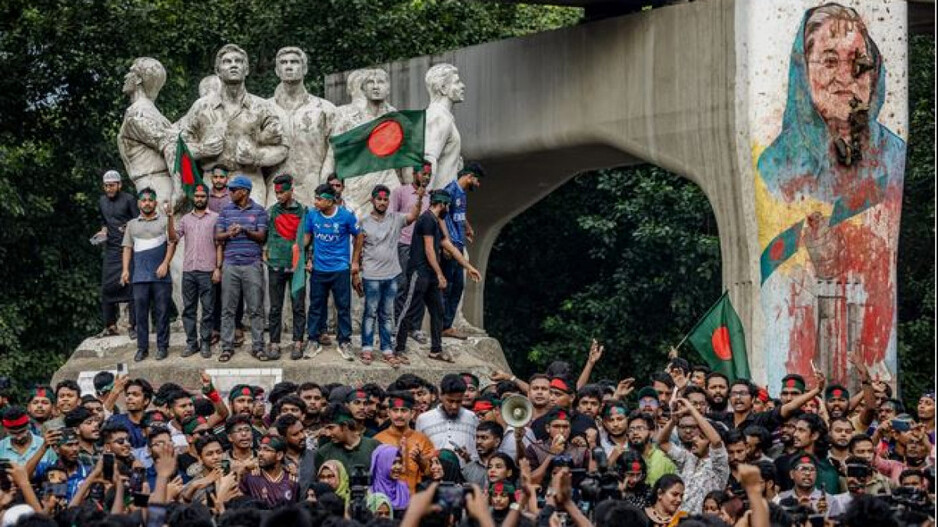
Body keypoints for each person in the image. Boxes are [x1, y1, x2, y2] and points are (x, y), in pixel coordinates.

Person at [394, 190, 481, 362]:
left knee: (438, 311)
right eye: (447, 205)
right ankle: (398, 349)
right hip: (419, 273)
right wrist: (440, 274)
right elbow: (428, 249)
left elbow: (447, 245)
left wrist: (468, 266)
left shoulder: (436, 221)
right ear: (442, 204)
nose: (447, 209)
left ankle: (436, 349)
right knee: (408, 310)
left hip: (431, 275)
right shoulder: (426, 219)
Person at [352, 183, 424, 366]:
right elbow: (357, 250)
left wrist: (420, 198)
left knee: (386, 314)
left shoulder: (396, 219)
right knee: (370, 313)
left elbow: (414, 216)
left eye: (385, 199)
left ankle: (386, 349)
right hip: (371, 275)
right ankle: (367, 348)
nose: (383, 202)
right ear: (373, 200)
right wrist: (355, 272)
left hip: (391, 274)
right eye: (380, 199)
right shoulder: (363, 223)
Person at [303, 183, 361, 361]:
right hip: (319, 270)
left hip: (340, 269)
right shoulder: (312, 215)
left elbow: (359, 236)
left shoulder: (345, 216)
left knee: (343, 307)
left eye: (319, 199)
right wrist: (304, 257)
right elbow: (307, 237)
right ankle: (313, 340)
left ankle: (345, 342)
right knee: (315, 306)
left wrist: (355, 262)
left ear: (330, 201)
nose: (316, 202)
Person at [214, 174, 268, 362]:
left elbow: (262, 236)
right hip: (230, 264)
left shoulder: (259, 211)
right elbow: (218, 236)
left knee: (255, 308)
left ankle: (258, 346)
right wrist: (230, 232)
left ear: (244, 192)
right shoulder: (225, 211)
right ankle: (227, 347)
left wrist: (244, 230)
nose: (229, 192)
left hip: (252, 264)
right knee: (228, 308)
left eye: (233, 189)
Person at [120, 187, 175, 362]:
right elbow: (127, 248)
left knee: (162, 313)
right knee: (141, 315)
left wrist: (166, 263)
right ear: (139, 203)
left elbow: (172, 242)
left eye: (150, 200)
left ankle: (162, 347)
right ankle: (142, 348)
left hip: (161, 277)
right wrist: (126, 270)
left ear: (155, 203)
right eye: (144, 200)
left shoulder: (164, 222)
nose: (147, 203)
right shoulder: (132, 224)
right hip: (139, 277)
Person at [169, 183, 220, 358]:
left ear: (207, 198)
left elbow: (220, 244)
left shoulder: (215, 218)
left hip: (207, 270)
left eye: (202, 196)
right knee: (188, 309)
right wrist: (169, 218)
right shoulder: (185, 219)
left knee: (207, 309)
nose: (199, 199)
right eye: (197, 196)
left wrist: (217, 268)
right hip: (189, 270)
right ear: (193, 198)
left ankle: (205, 343)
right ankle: (191, 343)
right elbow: (173, 238)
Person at [656, 398, 729, 513]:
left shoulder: (718, 466)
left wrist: (691, 410)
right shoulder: (687, 458)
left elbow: (716, 441)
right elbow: (662, 442)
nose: (694, 439)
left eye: (701, 438)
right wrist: (673, 421)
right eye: (696, 435)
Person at [264, 174, 307, 361]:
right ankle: (274, 343)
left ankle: (298, 343)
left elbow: (308, 236)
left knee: (298, 306)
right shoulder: (271, 211)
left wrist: (307, 258)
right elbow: (265, 234)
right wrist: (264, 253)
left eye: (282, 192)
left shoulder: (303, 211)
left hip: (296, 266)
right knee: (275, 307)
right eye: (276, 193)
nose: (279, 196)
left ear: (291, 190)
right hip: (275, 265)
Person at [391, 161, 432, 346]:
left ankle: (414, 327)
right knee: (402, 285)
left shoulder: (430, 196)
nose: (427, 177)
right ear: (415, 173)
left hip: (423, 248)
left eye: (429, 174)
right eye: (424, 173)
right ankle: (398, 325)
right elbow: (392, 218)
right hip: (404, 244)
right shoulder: (401, 192)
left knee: (420, 288)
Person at [440, 163, 483, 339]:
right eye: (477, 180)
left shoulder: (463, 195)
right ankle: (440, 326)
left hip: (459, 244)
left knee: (458, 286)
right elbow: (440, 216)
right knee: (447, 287)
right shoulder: (449, 191)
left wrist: (467, 227)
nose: (478, 184)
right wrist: (446, 242)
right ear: (470, 176)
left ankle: (447, 326)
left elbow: (459, 215)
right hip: (450, 247)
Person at [96, 170, 138, 339]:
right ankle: (110, 325)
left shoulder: (129, 199)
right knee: (107, 287)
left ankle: (133, 326)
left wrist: (128, 226)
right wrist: (102, 231)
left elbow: (138, 220)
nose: (109, 189)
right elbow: (103, 221)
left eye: (112, 185)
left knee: (132, 287)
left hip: (128, 248)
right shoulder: (101, 201)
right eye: (106, 186)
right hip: (111, 249)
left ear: (119, 185)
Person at [374, 392, 435, 493]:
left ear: (412, 413)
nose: (399, 415)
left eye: (404, 410)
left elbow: (433, 473)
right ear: (388, 413)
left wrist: (420, 461)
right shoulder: (378, 440)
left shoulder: (422, 440)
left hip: (415, 498)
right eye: (395, 410)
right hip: (387, 498)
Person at [415, 374, 478, 460]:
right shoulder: (423, 419)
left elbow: (476, 452)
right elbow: (420, 452)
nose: (454, 406)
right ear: (441, 395)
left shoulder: (471, 418)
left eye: (458, 401)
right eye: (450, 401)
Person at [313, 404, 380, 473]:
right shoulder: (324, 453)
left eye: (331, 428)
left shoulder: (374, 446)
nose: (327, 434)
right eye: (325, 428)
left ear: (345, 426)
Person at [239, 434, 298, 507]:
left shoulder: (291, 480)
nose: (260, 453)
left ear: (279, 455)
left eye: (266, 450)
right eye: (259, 449)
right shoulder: (251, 478)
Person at [369, 444, 410, 516]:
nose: (398, 467)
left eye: (400, 462)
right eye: (393, 463)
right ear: (382, 464)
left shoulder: (404, 489)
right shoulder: (371, 492)